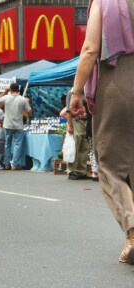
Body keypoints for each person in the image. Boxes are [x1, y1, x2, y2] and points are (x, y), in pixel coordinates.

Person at [69, 0, 134, 264]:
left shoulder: (106, 1)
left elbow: (90, 49)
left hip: (119, 84)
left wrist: (75, 92)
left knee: (110, 163)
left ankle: (131, 231)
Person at [0, 83, 32, 170]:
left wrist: (5, 91)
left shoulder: (6, 97)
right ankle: (15, 164)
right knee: (17, 144)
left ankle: (6, 164)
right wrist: (27, 104)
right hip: (18, 125)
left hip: (7, 124)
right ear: (19, 90)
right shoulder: (22, 99)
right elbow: (29, 111)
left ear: (11, 90)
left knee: (7, 145)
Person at [60, 96, 89, 180]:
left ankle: (81, 171)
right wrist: (70, 125)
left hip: (85, 121)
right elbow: (65, 112)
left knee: (84, 147)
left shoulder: (87, 91)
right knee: (75, 146)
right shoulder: (74, 93)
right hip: (76, 121)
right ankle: (72, 170)